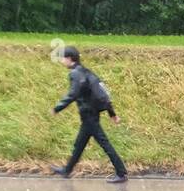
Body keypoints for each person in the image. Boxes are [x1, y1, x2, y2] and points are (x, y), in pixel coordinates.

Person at [50, 46, 128, 183]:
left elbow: (73, 94)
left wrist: (57, 108)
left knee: (105, 144)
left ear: (69, 58)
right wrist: (111, 113)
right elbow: (103, 94)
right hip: (91, 114)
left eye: (63, 58)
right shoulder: (87, 72)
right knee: (79, 144)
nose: (62, 61)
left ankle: (121, 173)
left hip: (89, 115)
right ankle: (67, 170)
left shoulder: (75, 74)